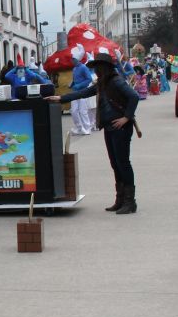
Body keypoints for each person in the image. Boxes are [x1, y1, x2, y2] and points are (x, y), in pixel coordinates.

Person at [46, 53, 140, 215]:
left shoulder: (116, 81)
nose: (95, 70)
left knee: (123, 163)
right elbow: (82, 93)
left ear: (104, 68)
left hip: (121, 128)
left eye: (97, 67)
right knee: (116, 164)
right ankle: (120, 199)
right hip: (110, 127)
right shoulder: (103, 83)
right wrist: (60, 98)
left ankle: (129, 202)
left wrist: (126, 117)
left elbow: (134, 96)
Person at [69, 44, 94, 135]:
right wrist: (71, 84)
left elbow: (89, 79)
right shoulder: (74, 68)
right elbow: (74, 79)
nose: (72, 60)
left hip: (83, 92)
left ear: (77, 59)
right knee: (74, 111)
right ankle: (79, 127)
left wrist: (79, 86)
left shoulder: (84, 67)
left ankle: (87, 128)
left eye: (73, 59)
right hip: (75, 92)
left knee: (83, 111)